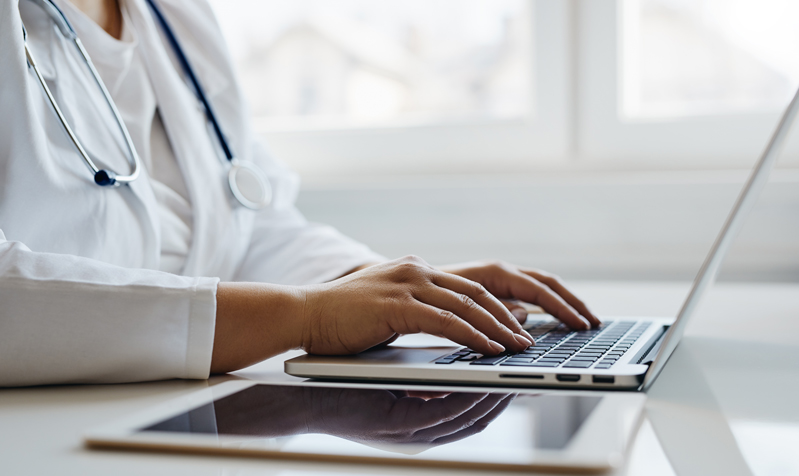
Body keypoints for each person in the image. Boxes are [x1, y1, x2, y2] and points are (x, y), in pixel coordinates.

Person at [0, 0, 600, 387]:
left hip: (174, 430)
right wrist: (305, 316)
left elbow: (251, 222)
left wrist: (394, 290)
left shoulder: (174, 18)